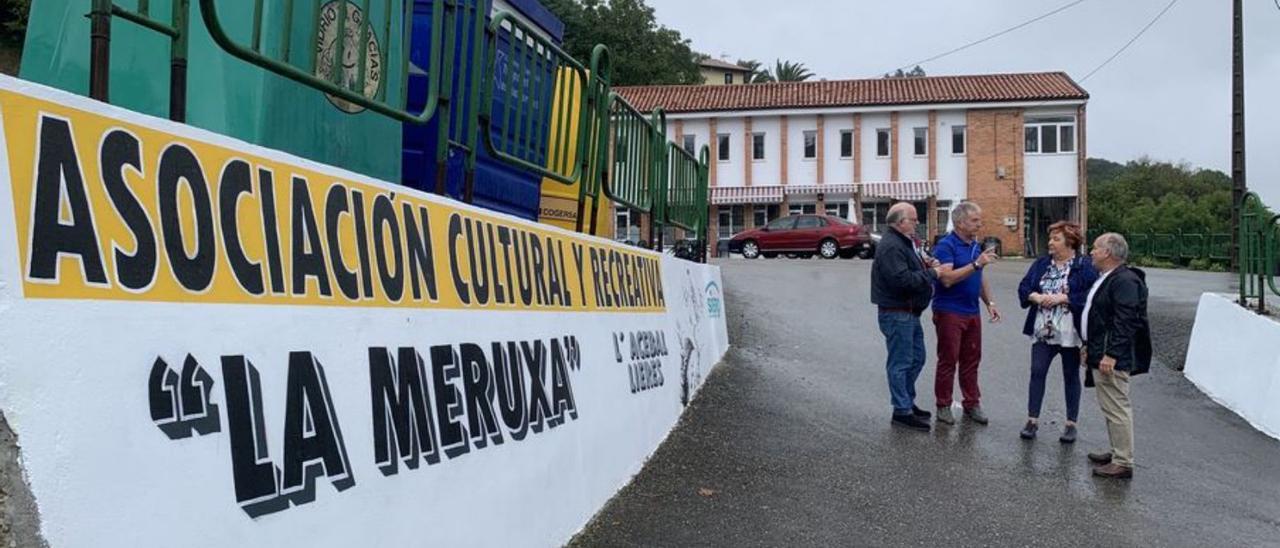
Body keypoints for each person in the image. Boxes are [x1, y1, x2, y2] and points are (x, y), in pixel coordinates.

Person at [1015, 221, 1098, 443]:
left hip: (1070, 331)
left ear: (1070, 242)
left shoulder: (1084, 265)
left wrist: (1066, 298)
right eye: (1050, 238)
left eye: (1056, 239)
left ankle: (1071, 424)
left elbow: (1093, 294)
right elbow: (1024, 287)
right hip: (1043, 329)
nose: (1050, 242)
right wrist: (1035, 297)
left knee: (1071, 375)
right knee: (1037, 371)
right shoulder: (1042, 263)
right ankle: (1032, 420)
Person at [1082, 233, 1152, 479]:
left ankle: (1123, 461)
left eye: (1095, 248)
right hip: (1101, 351)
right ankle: (1117, 451)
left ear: (1108, 253)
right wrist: (1088, 345)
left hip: (1113, 356)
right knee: (1110, 405)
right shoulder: (1111, 278)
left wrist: (1111, 353)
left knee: (1117, 406)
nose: (1091, 252)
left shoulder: (1124, 281)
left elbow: (1126, 321)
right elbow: (1099, 318)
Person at [871, 202, 943, 431]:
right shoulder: (892, 245)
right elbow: (901, 280)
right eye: (913, 219)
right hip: (897, 312)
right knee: (901, 363)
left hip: (909, 312)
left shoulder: (905, 242)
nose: (917, 223)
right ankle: (902, 410)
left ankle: (906, 402)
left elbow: (909, 270)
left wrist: (925, 264)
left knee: (916, 359)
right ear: (900, 222)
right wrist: (932, 273)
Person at [930, 202, 1001, 425]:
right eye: (975, 220)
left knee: (971, 359)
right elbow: (947, 279)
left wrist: (989, 301)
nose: (980, 224)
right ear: (960, 222)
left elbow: (979, 277)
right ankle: (943, 404)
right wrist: (976, 264)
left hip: (972, 311)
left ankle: (972, 403)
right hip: (949, 310)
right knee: (948, 359)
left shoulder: (974, 246)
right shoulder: (946, 246)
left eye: (979, 220)